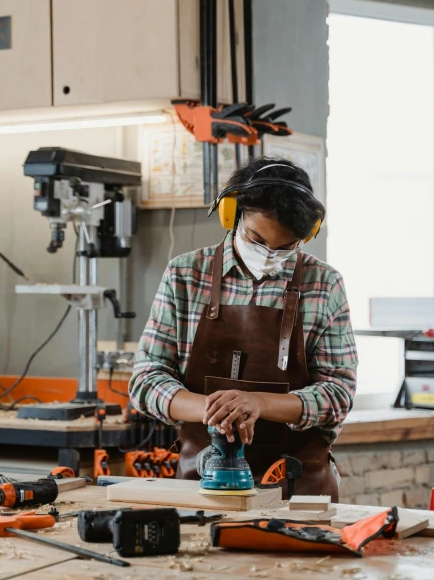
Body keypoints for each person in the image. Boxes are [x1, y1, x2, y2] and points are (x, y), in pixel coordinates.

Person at [129, 157, 358, 499]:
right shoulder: (185, 275)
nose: (268, 254)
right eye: (256, 238)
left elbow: (338, 393)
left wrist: (258, 404)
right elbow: (146, 380)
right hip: (201, 485)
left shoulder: (324, 284)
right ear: (232, 214)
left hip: (300, 490)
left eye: (286, 247)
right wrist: (216, 411)